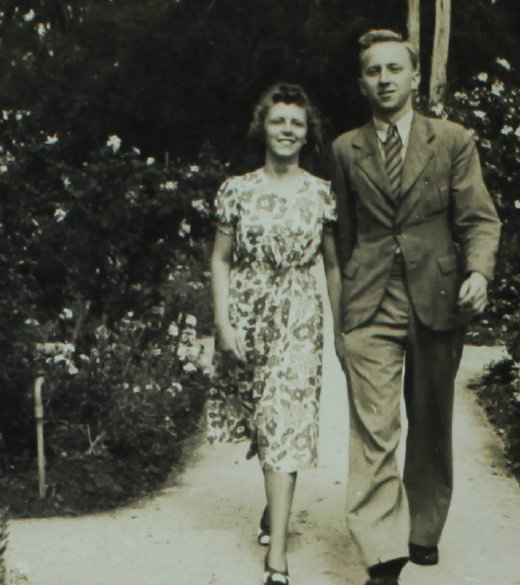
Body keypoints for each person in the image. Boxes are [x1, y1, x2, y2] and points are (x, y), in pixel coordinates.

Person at [330, 30, 501, 585]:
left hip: (437, 295)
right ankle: (383, 553)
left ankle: (423, 527)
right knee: (376, 427)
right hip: (371, 299)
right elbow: (345, 235)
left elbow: (478, 217)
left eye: (394, 69)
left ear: (413, 77)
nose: (384, 79)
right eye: (373, 71)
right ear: (362, 82)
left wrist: (478, 270)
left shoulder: (452, 140)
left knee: (430, 422)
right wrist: (345, 306)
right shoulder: (344, 149)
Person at [208, 82, 342, 585]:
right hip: (246, 313)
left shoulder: (320, 193)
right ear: (262, 126)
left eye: (297, 123)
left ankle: (277, 559)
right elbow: (220, 259)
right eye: (278, 120)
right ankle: (274, 511)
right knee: (260, 423)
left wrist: (339, 326)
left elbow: (331, 267)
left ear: (308, 134)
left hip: (297, 317)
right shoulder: (236, 189)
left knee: (285, 420)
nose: (287, 130)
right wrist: (222, 321)